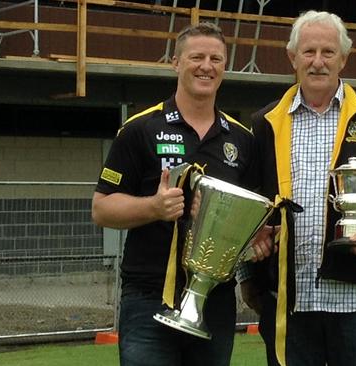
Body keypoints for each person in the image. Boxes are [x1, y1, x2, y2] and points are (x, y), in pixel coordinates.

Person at [239, 10, 356, 366]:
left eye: (328, 52)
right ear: (292, 58)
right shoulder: (264, 124)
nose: (317, 62)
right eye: (308, 52)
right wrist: (248, 275)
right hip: (288, 299)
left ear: (343, 59)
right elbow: (248, 205)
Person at [92, 22, 256, 366]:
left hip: (216, 298)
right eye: (196, 57)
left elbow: (252, 217)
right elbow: (102, 209)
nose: (206, 66)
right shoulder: (140, 129)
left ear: (225, 66)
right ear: (176, 63)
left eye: (216, 58)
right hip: (149, 296)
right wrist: (154, 207)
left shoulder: (241, 140)